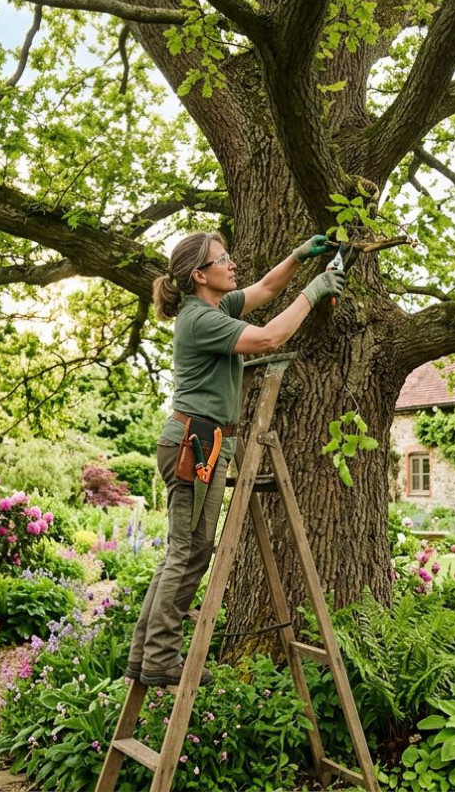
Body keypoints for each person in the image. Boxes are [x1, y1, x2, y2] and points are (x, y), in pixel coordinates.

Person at [127, 231, 345, 687]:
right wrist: (315, 289)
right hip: (196, 444)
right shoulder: (199, 320)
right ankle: (161, 657)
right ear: (199, 275)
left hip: (200, 440)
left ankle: (145, 652)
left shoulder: (214, 308)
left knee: (182, 551)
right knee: (189, 550)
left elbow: (265, 290)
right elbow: (268, 338)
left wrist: (297, 255)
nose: (231, 263)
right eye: (221, 259)